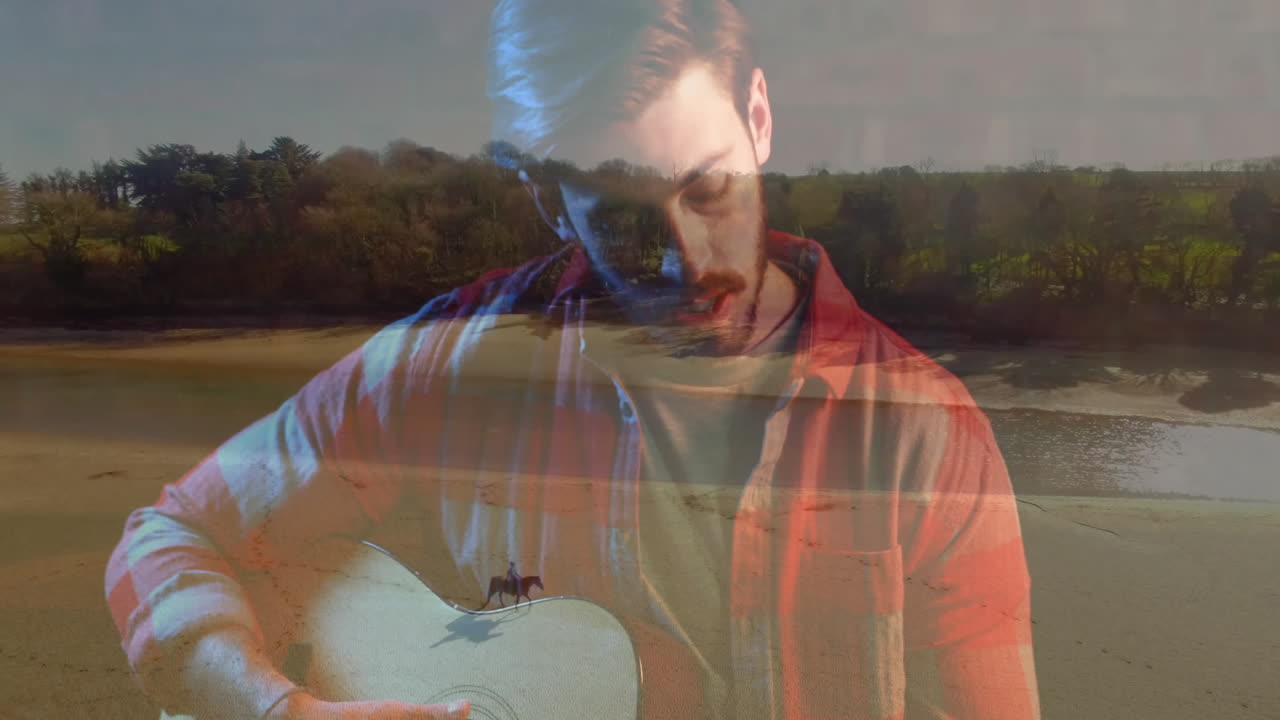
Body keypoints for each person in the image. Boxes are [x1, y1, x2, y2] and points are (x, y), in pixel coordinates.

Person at [105, 1, 1040, 718]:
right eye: (624, 217)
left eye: (710, 188)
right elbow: (169, 538)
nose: (690, 264)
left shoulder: (927, 434)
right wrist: (273, 706)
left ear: (759, 119)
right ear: (546, 194)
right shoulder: (449, 369)